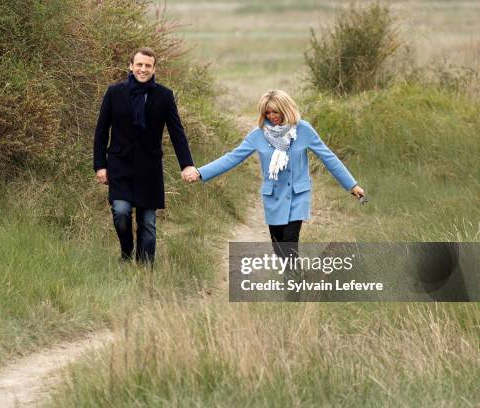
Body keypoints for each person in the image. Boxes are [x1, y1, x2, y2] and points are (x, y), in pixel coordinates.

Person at [186, 89, 364, 245]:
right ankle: (297, 276)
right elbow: (232, 158)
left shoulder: (303, 130)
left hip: (298, 195)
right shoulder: (258, 135)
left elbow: (329, 157)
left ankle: (294, 282)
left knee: (289, 242)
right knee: (279, 247)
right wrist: (200, 172)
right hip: (273, 197)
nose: (271, 116)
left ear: (286, 109)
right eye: (267, 112)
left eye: (275, 112)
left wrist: (352, 185)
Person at [94, 47, 198, 264]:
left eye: (147, 65)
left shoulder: (165, 96)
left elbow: (177, 133)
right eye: (139, 65)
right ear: (131, 66)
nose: (143, 69)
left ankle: (145, 271)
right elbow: (101, 132)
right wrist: (100, 166)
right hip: (119, 166)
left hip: (149, 169)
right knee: (121, 213)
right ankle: (126, 252)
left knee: (148, 223)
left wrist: (187, 165)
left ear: (154, 68)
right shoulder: (114, 93)